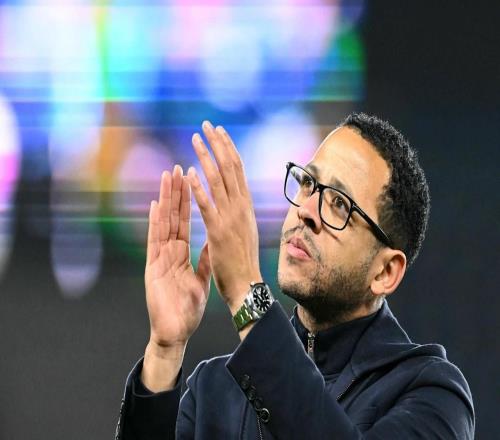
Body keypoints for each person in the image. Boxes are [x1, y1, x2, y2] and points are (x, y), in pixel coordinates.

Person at [115, 113, 474, 439]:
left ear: (385, 271)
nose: (306, 210)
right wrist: (165, 351)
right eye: (307, 183)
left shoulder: (434, 397)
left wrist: (247, 295)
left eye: (339, 204)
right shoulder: (214, 389)